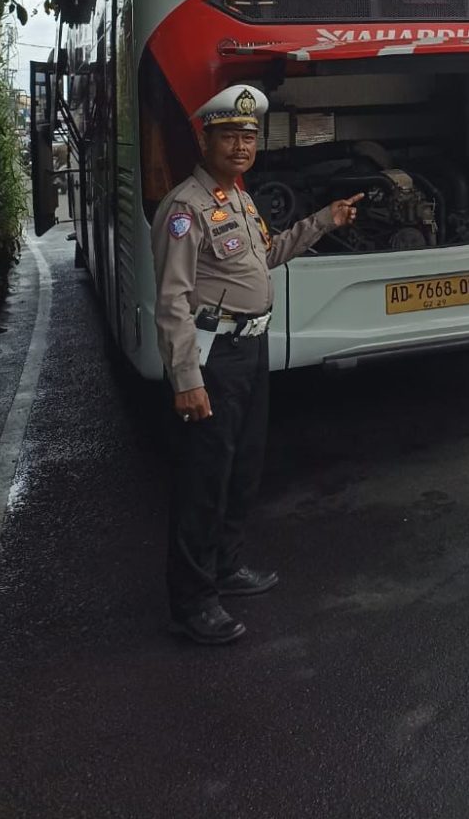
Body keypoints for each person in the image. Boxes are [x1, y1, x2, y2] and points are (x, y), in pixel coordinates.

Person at [152, 83, 362, 645]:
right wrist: (186, 378)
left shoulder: (237, 199)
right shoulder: (185, 208)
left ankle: (226, 565)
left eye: (248, 136)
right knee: (204, 477)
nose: (242, 145)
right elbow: (172, 301)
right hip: (214, 356)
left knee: (243, 467)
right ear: (207, 139)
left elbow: (265, 256)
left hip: (251, 349)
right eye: (230, 136)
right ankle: (193, 601)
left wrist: (323, 221)